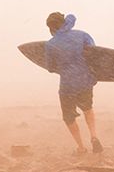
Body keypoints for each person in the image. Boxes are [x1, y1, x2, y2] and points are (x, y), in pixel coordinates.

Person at [44, 12, 103, 154]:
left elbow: (50, 67)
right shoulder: (82, 35)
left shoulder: (51, 44)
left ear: (51, 27)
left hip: (67, 86)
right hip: (84, 81)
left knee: (69, 117)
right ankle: (94, 136)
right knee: (87, 108)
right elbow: (95, 54)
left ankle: (81, 147)